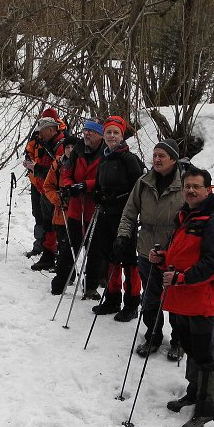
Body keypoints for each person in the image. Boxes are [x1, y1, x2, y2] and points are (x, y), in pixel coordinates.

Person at [149, 166, 214, 427]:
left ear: (208, 189)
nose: (191, 191)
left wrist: (182, 278)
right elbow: (182, 254)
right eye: (187, 186)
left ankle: (205, 409)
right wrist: (162, 259)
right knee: (189, 346)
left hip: (201, 299)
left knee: (204, 353)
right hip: (180, 297)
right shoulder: (185, 214)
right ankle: (193, 393)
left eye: (197, 186)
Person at [116, 139, 184, 359]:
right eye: (155, 155)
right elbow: (129, 212)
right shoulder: (143, 182)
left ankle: (178, 341)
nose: (157, 159)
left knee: (175, 297)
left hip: (175, 251)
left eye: (162, 156)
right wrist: (123, 235)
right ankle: (152, 336)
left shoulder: (185, 183)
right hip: (147, 249)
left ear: (173, 159)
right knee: (150, 297)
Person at [91, 116, 144, 321]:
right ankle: (112, 299)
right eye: (108, 132)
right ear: (103, 135)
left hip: (125, 216)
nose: (112, 136)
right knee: (110, 257)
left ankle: (132, 303)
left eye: (116, 133)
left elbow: (137, 188)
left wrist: (116, 197)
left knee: (129, 259)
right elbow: (98, 184)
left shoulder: (129, 159)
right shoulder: (104, 158)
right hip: (106, 214)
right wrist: (98, 194)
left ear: (122, 136)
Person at [59, 120, 106, 298]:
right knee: (70, 246)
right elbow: (66, 171)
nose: (86, 134)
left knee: (94, 250)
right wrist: (69, 185)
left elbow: (105, 178)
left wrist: (87, 185)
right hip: (76, 206)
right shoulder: (78, 150)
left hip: (95, 208)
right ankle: (61, 281)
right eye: (85, 130)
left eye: (91, 132)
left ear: (100, 135)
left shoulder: (106, 152)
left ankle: (91, 286)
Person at [23, 108, 67, 259]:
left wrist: (36, 168)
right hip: (38, 183)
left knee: (53, 221)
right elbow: (29, 149)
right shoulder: (39, 137)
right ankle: (41, 246)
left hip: (50, 186)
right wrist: (29, 161)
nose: (40, 131)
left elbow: (56, 168)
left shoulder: (60, 141)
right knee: (40, 216)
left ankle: (52, 251)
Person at [43, 134, 79, 294]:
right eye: (67, 147)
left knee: (75, 245)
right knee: (64, 245)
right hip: (61, 213)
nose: (70, 150)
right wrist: (58, 199)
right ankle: (67, 274)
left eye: (73, 147)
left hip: (78, 212)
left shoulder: (81, 163)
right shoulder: (57, 164)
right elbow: (48, 186)